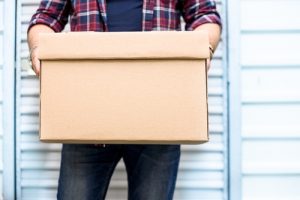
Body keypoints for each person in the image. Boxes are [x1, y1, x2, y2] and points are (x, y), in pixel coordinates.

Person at [27, 0, 222, 199]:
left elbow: (204, 15)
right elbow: (46, 17)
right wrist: (38, 48)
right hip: (87, 119)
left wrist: (203, 49)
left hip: (159, 121)